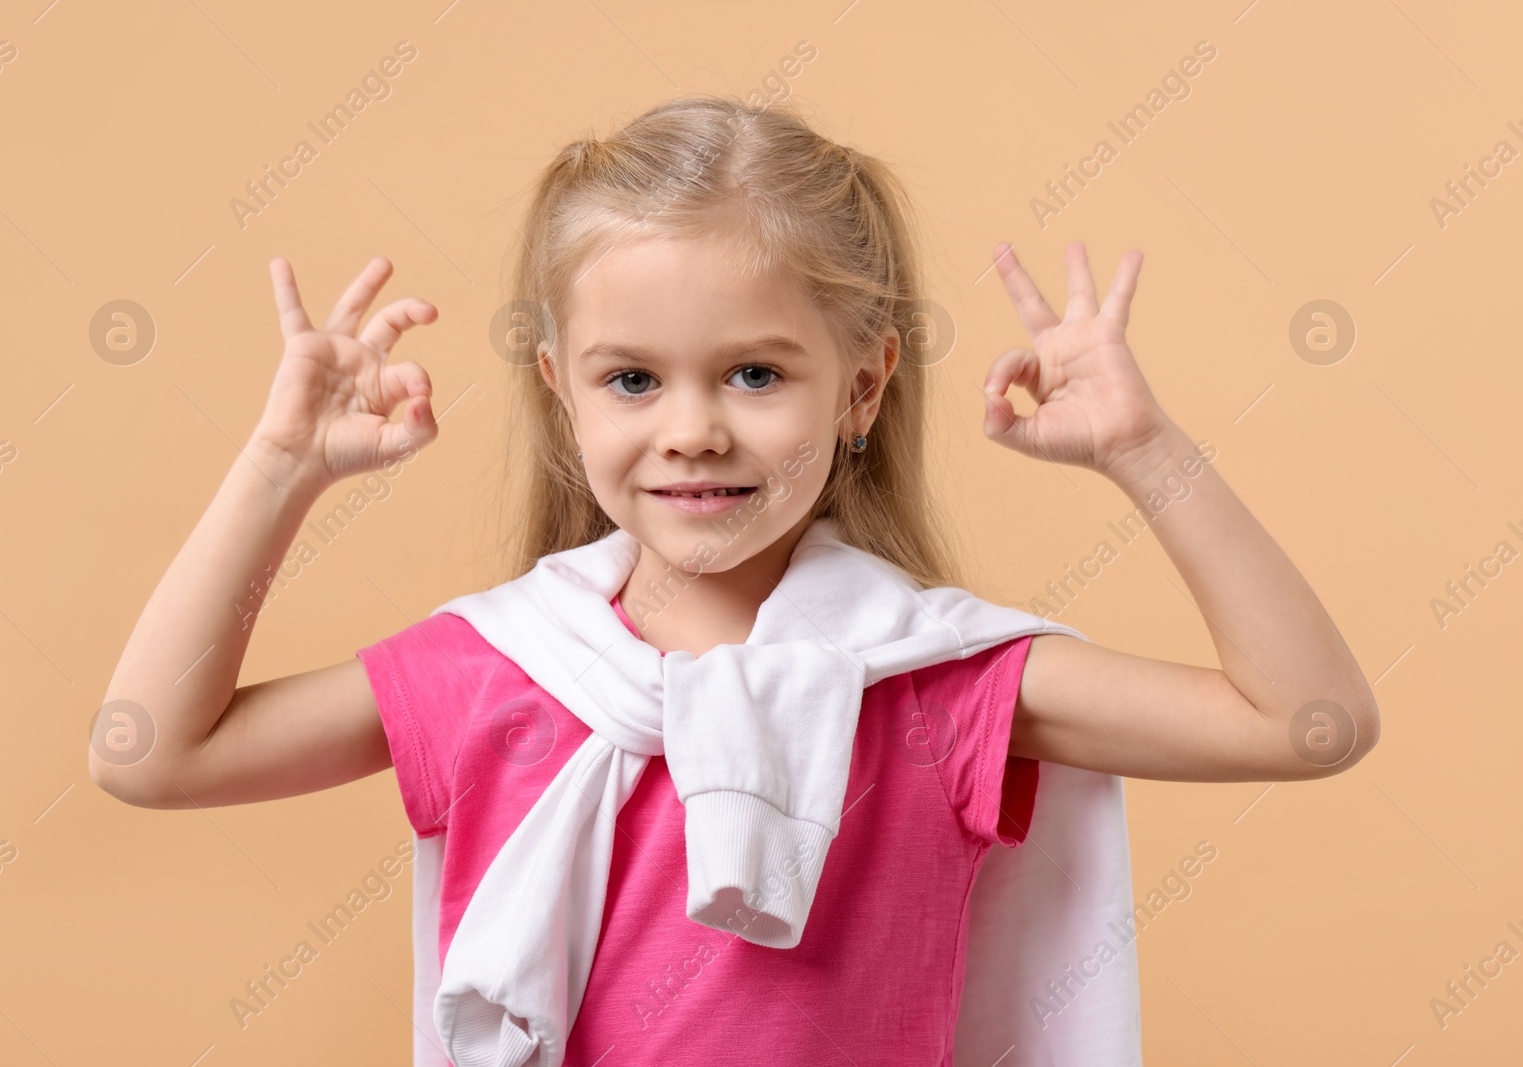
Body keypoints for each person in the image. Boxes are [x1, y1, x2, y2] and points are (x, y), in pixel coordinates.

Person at [91, 95, 1380, 1065]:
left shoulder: (938, 686)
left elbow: (1306, 722)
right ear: (561, 392)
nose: (694, 429)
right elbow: (150, 754)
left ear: (863, 385)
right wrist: (279, 468)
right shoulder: (504, 669)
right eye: (632, 379)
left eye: (756, 375)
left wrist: (1146, 454)